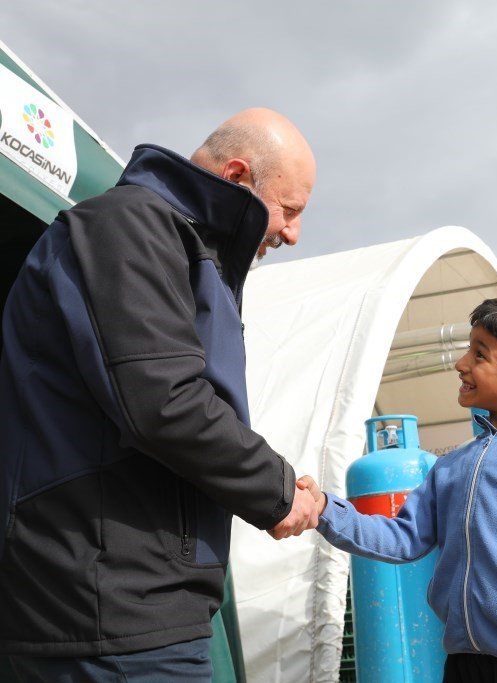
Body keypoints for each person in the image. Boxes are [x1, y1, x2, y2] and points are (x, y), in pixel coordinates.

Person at [0, 108, 321, 680]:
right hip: (109, 606)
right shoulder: (129, 225)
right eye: (290, 210)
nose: (293, 233)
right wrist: (275, 489)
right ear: (237, 175)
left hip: (130, 599)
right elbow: (165, 400)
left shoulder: (179, 245)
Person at [299, 298, 497, 683]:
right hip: (463, 662)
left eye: (479, 354)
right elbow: (402, 538)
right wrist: (325, 510)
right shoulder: (452, 465)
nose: (461, 363)